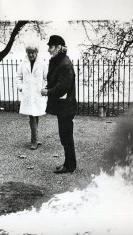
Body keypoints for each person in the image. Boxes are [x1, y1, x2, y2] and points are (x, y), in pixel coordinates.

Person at [41, 35, 77, 174]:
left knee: (66, 136)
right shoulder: (59, 61)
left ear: (58, 48)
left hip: (65, 106)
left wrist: (48, 92)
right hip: (63, 105)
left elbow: (63, 87)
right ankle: (68, 163)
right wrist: (49, 88)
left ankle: (70, 166)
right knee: (65, 135)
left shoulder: (65, 64)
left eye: (51, 47)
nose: (49, 50)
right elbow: (55, 80)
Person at [16, 43, 47, 150]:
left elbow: (47, 77)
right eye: (29, 53)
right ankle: (34, 140)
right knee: (32, 116)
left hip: (38, 94)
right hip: (28, 94)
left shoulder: (42, 64)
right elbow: (18, 77)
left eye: (32, 53)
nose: (31, 55)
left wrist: (44, 88)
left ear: (36, 53)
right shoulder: (23, 64)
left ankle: (35, 138)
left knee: (35, 115)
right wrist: (21, 87)